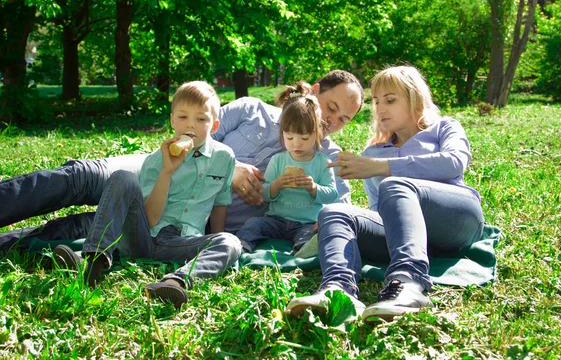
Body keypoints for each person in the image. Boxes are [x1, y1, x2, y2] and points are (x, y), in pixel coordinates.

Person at [0, 70, 364, 249]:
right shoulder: (253, 110)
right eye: (331, 107)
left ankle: (9, 243)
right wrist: (230, 166)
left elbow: (341, 213)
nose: (331, 121)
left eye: (343, 119)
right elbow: (192, 133)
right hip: (158, 172)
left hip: (187, 223)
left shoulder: (328, 159)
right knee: (78, 177)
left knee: (82, 228)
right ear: (315, 91)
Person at [286, 65, 485, 321]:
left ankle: (409, 283)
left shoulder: (444, 127)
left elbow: (454, 161)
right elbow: (381, 211)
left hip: (457, 220)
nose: (380, 109)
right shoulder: (374, 153)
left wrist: (383, 168)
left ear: (415, 99)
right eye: (377, 102)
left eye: (390, 100)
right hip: (409, 237)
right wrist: (343, 224)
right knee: (334, 212)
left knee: (395, 184)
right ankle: (338, 289)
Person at [52, 81, 241, 309]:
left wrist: (214, 247)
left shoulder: (225, 158)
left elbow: (220, 203)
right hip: (143, 237)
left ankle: (175, 283)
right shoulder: (156, 160)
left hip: (183, 244)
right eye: (183, 117)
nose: (190, 125)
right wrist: (167, 171)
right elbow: (150, 218)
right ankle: (92, 262)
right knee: (123, 177)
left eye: (201, 119)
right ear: (172, 120)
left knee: (230, 242)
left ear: (214, 125)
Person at [236, 83, 338, 254]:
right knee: (254, 223)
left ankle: (303, 248)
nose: (296, 144)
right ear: (282, 133)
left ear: (317, 134)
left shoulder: (322, 162)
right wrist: (277, 185)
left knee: (309, 234)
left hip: (306, 222)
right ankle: (241, 244)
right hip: (277, 220)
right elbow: (265, 194)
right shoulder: (278, 160)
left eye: (304, 138)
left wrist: (313, 188)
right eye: (289, 137)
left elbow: (331, 195)